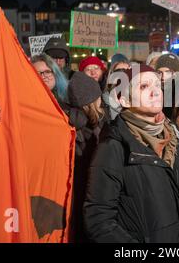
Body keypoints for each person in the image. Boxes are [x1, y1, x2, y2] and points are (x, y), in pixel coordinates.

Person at [83, 65, 179, 243]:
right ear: (124, 100)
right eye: (143, 87)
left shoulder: (177, 140)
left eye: (157, 85)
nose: (155, 92)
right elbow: (99, 220)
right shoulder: (113, 147)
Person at [67, 72, 107, 243]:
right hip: (90, 195)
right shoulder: (94, 127)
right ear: (93, 101)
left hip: (74, 198)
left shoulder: (67, 123)